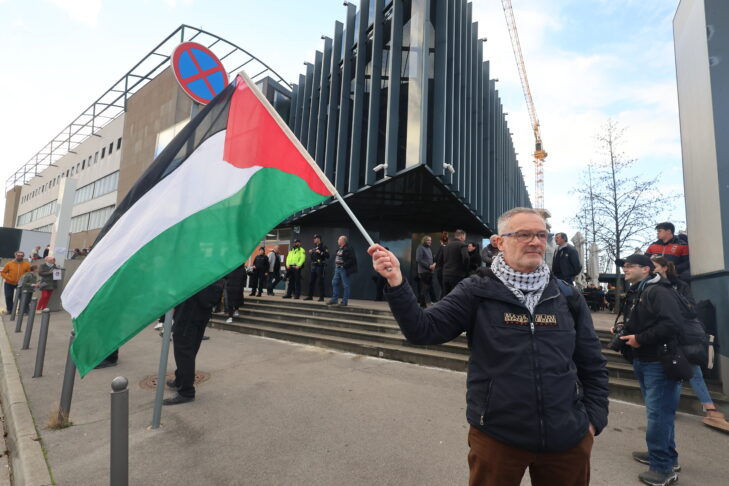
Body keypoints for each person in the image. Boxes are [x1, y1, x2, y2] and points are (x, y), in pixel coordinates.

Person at [369, 207, 609, 486]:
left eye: (541, 235)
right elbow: (423, 330)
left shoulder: (566, 295)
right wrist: (397, 283)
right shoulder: (477, 289)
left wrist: (593, 420)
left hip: (568, 440)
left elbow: (592, 362)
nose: (536, 242)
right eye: (523, 234)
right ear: (499, 242)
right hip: (498, 437)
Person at [616, 254, 683, 486]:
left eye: (629, 266)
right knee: (660, 413)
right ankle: (667, 457)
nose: (624, 269)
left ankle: (663, 468)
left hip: (658, 362)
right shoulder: (640, 291)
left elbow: (673, 324)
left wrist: (640, 339)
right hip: (644, 359)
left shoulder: (658, 291)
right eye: (623, 266)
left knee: (658, 415)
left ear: (646, 269)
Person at [650, 255, 729, 432]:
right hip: (666, 336)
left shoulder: (679, 285)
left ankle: (709, 409)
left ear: (664, 268)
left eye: (654, 266)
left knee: (691, 371)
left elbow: (690, 309)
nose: (651, 269)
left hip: (682, 335)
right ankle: (708, 410)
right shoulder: (652, 286)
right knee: (675, 373)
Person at [164, 280, 224, 405]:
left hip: (189, 314)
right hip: (199, 313)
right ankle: (180, 379)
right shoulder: (211, 269)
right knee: (189, 350)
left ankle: (186, 392)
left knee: (184, 352)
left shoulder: (199, 270)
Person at [328, 236, 357, 307]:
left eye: (339, 239)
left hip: (344, 269)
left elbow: (352, 259)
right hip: (337, 269)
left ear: (343, 241)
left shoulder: (349, 248)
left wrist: (344, 265)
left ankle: (344, 301)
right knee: (334, 282)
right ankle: (334, 299)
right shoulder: (340, 248)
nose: (337, 241)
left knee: (346, 285)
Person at [441, 229, 469, 296]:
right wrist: (465, 270)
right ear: (462, 236)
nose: (465, 239)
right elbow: (466, 258)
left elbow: (442, 259)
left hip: (445, 274)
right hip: (457, 275)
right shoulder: (462, 245)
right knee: (456, 296)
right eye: (465, 237)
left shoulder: (446, 246)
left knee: (446, 296)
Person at [305, 234, 329, 301]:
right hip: (313, 266)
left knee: (320, 282)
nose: (314, 239)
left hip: (320, 266)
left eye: (315, 238)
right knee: (311, 282)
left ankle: (321, 297)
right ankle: (310, 296)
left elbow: (327, 256)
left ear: (318, 239)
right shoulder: (315, 247)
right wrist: (311, 253)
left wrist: (320, 252)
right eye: (314, 238)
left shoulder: (324, 246)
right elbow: (314, 257)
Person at [415, 236, 435, 308]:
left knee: (427, 287)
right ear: (424, 240)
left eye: (430, 240)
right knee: (425, 287)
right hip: (424, 271)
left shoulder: (429, 249)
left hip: (429, 271)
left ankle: (423, 304)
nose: (430, 241)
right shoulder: (420, 248)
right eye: (428, 240)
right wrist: (429, 266)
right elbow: (418, 259)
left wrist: (433, 264)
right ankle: (422, 304)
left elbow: (430, 259)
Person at [433, 232, 448, 299]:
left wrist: (434, 258)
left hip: (440, 270)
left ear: (440, 241)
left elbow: (437, 259)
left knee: (443, 289)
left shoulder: (441, 247)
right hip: (445, 270)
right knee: (444, 288)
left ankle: (441, 304)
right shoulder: (448, 248)